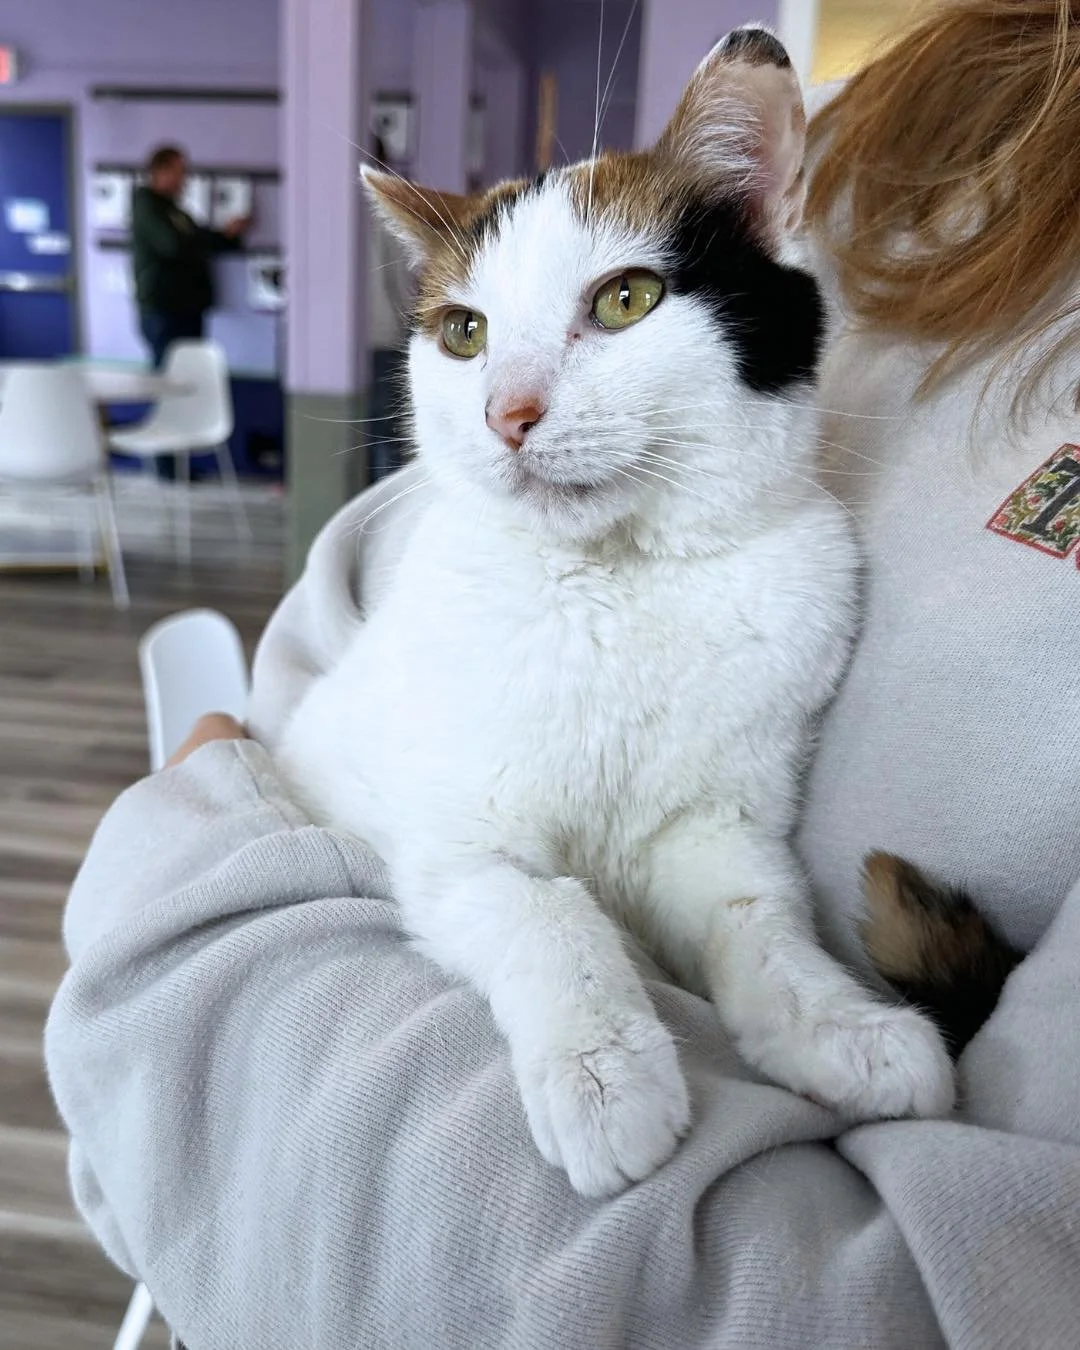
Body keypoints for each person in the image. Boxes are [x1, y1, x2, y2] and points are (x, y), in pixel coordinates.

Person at [45, 3, 1080, 1346]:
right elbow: (456, 840)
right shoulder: (456, 560)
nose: (512, 405)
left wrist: (773, 970)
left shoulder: (796, 584)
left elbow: (701, 829)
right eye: (466, 334)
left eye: (619, 301)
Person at [131, 145, 250, 477]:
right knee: (167, 383)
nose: (184, 179)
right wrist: (208, 240)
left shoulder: (175, 210)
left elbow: (196, 239)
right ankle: (166, 467)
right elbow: (175, 245)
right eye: (179, 171)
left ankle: (179, 465)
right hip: (163, 310)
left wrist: (227, 236)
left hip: (186, 309)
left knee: (185, 383)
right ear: (160, 171)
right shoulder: (146, 206)